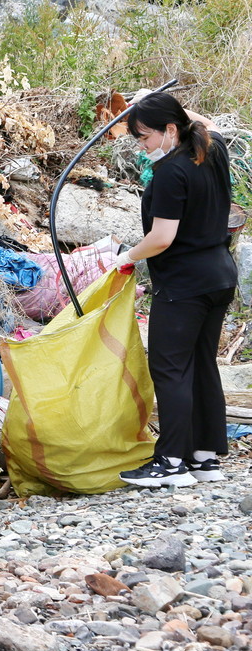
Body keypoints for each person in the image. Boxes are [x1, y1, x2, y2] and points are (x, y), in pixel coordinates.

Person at [115, 90, 236, 487]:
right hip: (219, 276)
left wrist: (126, 257)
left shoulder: (171, 171)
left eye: (145, 136)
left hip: (184, 283)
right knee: (202, 363)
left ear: (170, 130)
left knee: (169, 369)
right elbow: (208, 124)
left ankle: (170, 462)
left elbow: (162, 237)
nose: (142, 145)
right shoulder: (211, 150)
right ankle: (204, 457)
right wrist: (153, 101)